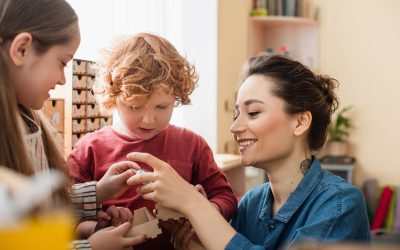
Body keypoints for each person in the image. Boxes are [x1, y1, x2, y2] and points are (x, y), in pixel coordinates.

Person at [127, 55, 371, 249]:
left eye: (253, 113)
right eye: (236, 115)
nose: (235, 127)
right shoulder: (251, 204)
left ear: (299, 122)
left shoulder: (340, 204)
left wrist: (194, 204)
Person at [67, 32, 238, 249]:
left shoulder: (192, 145)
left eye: (161, 107)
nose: (148, 120)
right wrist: (96, 227)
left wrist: (205, 211)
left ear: (177, 97)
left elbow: (226, 197)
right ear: (113, 96)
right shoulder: (88, 149)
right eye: (135, 107)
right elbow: (63, 217)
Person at [0, 0, 146, 249]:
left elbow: (37, 209)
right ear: (21, 49)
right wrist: (90, 247)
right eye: (62, 62)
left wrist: (98, 192)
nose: (63, 78)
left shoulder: (26, 121)